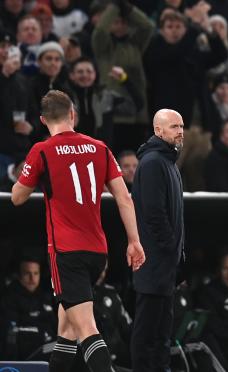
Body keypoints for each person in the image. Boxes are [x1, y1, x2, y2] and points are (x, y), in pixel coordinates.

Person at [11, 89, 145, 372]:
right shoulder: (100, 147)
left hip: (66, 252)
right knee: (67, 330)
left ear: (43, 120)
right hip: (98, 251)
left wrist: (29, 175)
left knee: (85, 328)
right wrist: (134, 241)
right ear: (73, 114)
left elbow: (17, 197)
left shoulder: (42, 150)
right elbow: (124, 198)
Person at [130, 108, 185, 371]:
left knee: (162, 335)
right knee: (148, 334)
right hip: (154, 264)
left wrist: (177, 255)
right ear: (158, 131)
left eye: (181, 126)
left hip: (164, 266)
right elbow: (154, 216)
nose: (180, 131)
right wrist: (170, 251)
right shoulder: (153, 163)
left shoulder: (169, 163)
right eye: (174, 126)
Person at [0, 258, 57, 360]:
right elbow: (10, 334)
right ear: (19, 276)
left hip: (51, 356)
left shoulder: (47, 297)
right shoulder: (9, 298)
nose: (32, 278)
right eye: (27, 273)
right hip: (23, 358)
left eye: (36, 273)